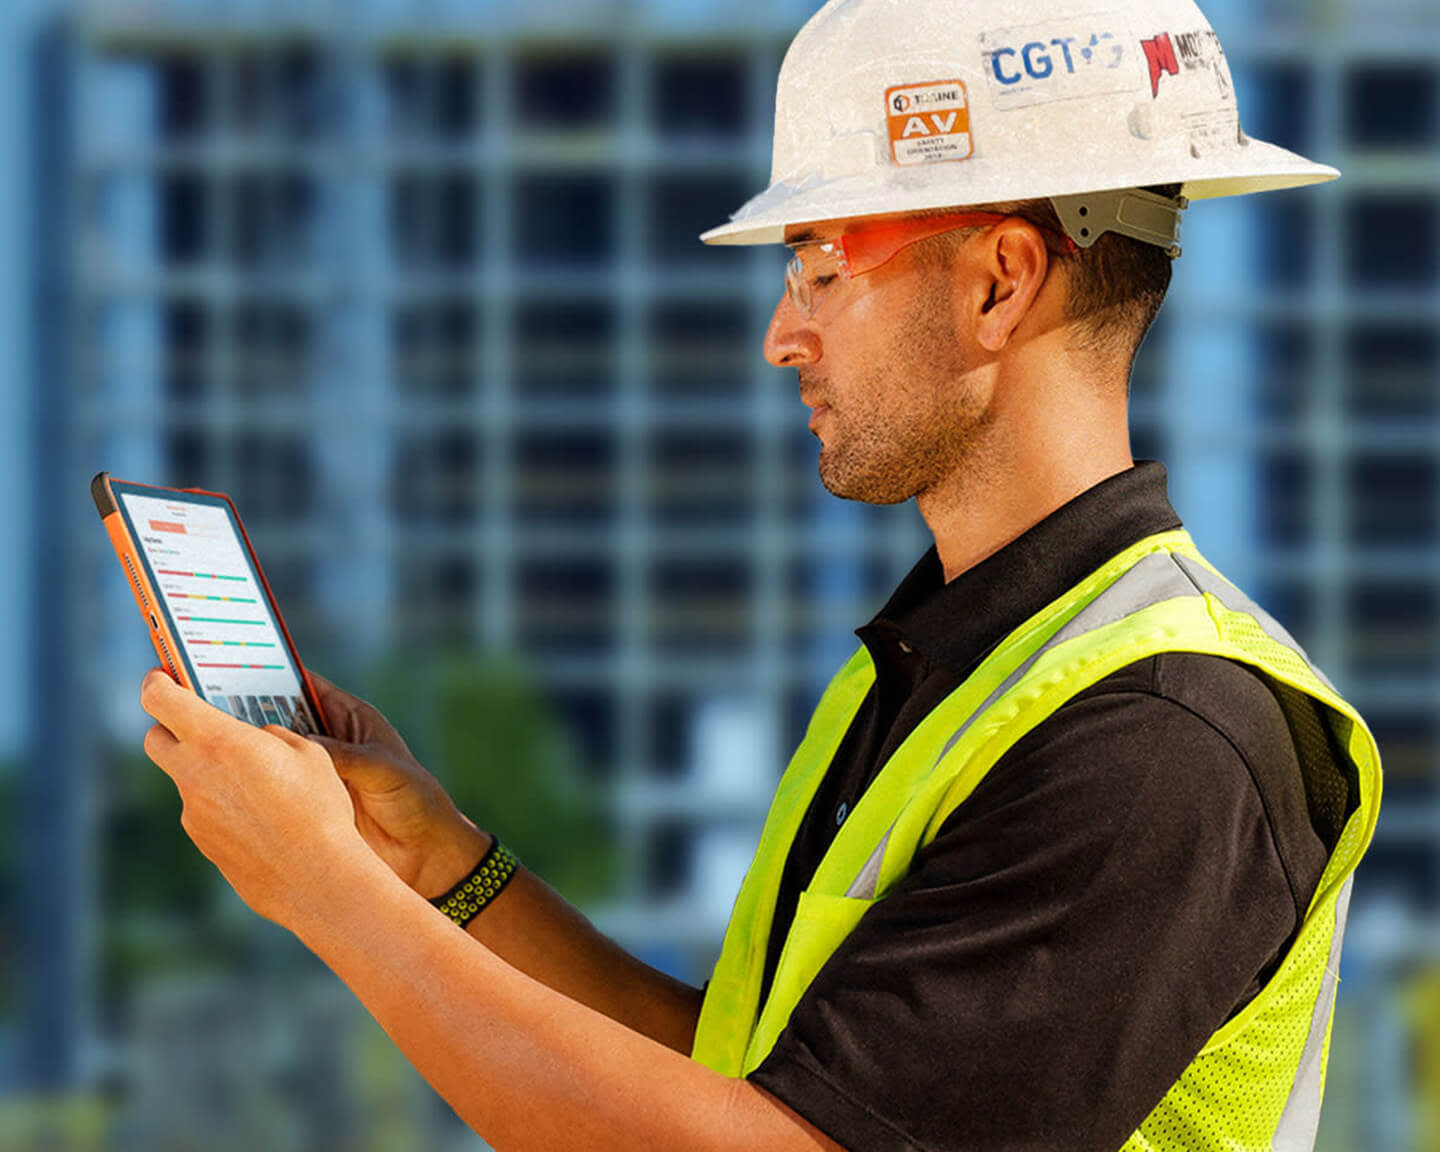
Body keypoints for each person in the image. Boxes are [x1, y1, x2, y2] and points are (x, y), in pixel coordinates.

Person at [138, 0, 1381, 1148]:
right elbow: (769, 1087)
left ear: (1000, 282)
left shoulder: (1162, 733)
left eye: (824, 263)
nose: (783, 333)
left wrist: (327, 896)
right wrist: (441, 869)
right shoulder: (962, 671)